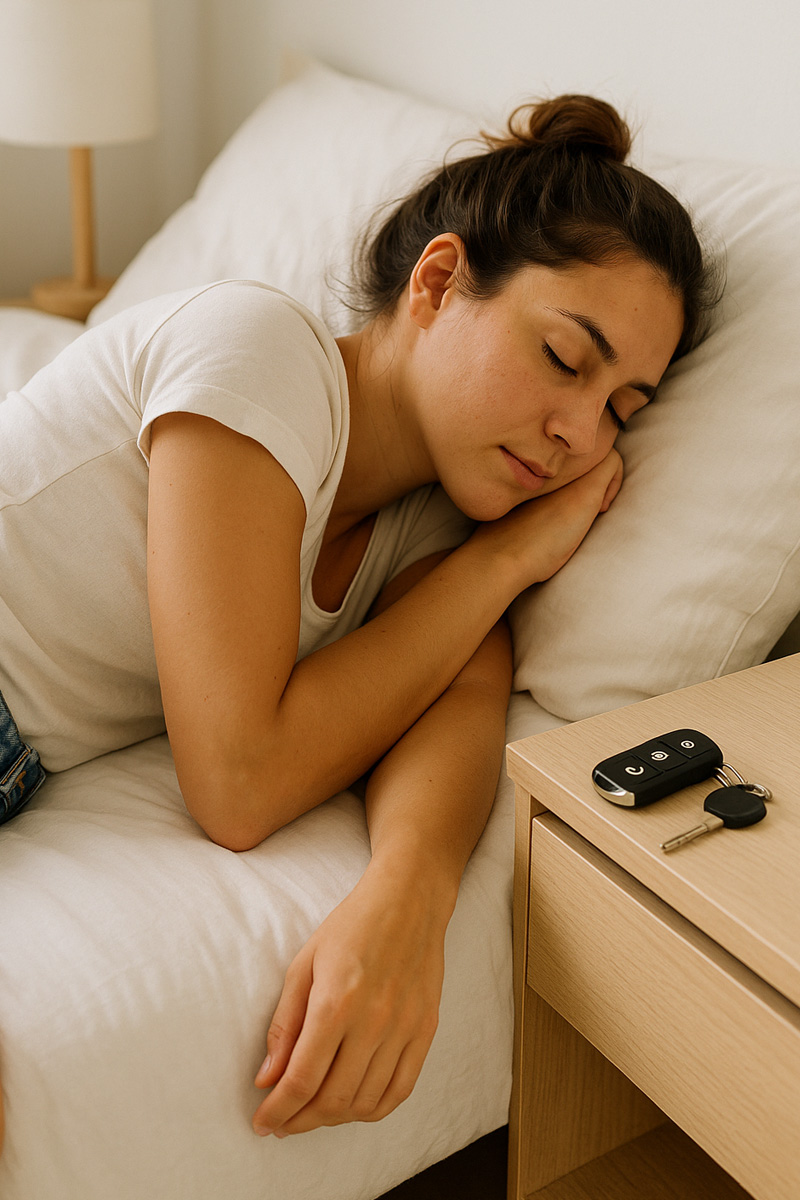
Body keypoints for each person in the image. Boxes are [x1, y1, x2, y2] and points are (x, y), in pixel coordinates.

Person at [0, 93, 719, 1151]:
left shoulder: (431, 537)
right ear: (436, 284)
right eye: (566, 359)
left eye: (621, 410)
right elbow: (239, 781)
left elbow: (463, 705)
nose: (577, 434)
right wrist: (512, 556)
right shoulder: (261, 356)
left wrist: (406, 898)